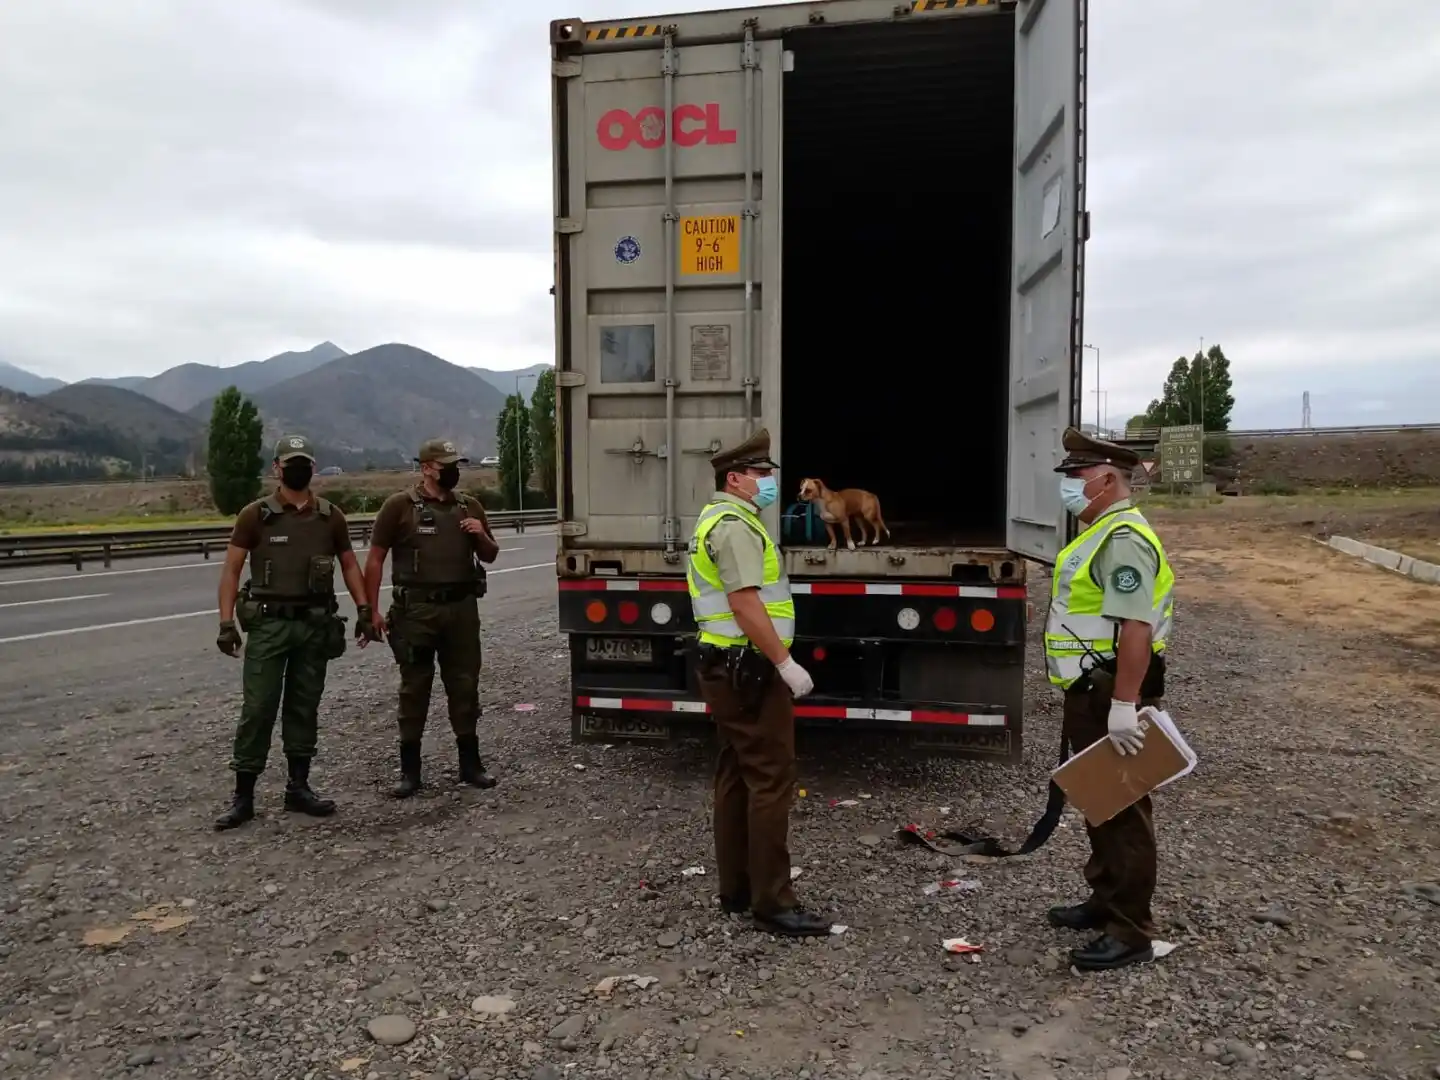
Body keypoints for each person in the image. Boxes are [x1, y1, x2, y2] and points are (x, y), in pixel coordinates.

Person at [687, 428, 830, 938]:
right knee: (771, 778)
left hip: (725, 666)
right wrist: (785, 663)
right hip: (747, 669)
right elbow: (745, 602)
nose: (770, 482)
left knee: (735, 773)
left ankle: (737, 888)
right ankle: (773, 902)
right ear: (736, 478)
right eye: (762, 474)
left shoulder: (718, 519)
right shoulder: (735, 527)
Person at [1043, 426, 1174, 971]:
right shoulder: (1101, 531)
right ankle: (1105, 899)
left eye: (1076, 477)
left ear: (1107, 479)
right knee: (1099, 800)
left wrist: (1124, 704)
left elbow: (1137, 627)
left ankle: (1131, 930)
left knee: (1123, 810)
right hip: (1090, 691)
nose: (1069, 487)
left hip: (1108, 694)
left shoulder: (1123, 539)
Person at [214, 434, 379, 831]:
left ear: (313, 467)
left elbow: (350, 566)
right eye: (290, 462)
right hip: (269, 624)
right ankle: (243, 796)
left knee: (304, 707)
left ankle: (298, 787)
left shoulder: (330, 516)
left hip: (313, 625)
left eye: (304, 461)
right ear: (277, 469)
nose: (298, 468)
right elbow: (232, 570)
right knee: (258, 709)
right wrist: (225, 623)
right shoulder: (256, 515)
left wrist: (364, 610)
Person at [364, 438, 500, 797]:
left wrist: (480, 534)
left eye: (456, 463)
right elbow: (375, 558)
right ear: (426, 467)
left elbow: (491, 555)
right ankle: (410, 772)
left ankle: (470, 765)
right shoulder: (399, 507)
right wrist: (371, 610)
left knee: (464, 686)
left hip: (461, 610)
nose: (453, 470)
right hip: (416, 613)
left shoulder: (469, 506)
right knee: (415, 690)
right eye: (445, 464)